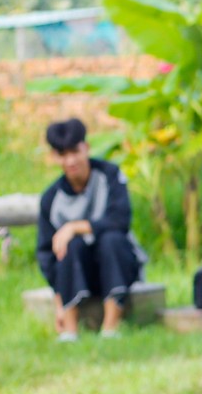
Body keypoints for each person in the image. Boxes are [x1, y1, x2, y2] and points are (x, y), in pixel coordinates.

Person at [35, 118, 142, 339]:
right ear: (55, 157)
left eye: (75, 151)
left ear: (86, 148)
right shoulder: (50, 198)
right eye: (63, 154)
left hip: (117, 267)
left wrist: (75, 227)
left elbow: (120, 220)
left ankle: (111, 328)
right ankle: (70, 330)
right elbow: (46, 255)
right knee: (68, 245)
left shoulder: (110, 176)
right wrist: (58, 305)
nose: (71, 160)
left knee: (111, 239)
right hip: (75, 274)